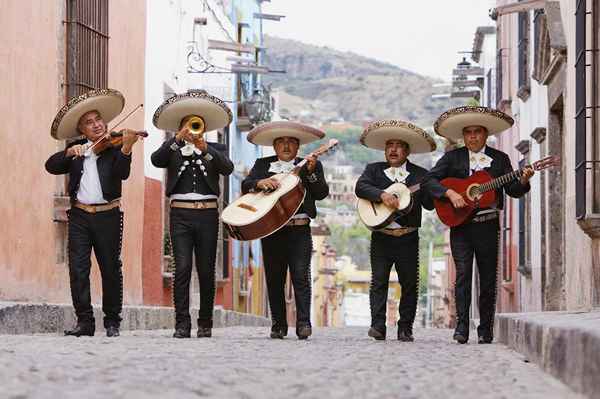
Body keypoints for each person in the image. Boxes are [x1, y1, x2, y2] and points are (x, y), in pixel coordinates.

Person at [423, 106, 534, 344]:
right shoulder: (452, 158)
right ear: (464, 136)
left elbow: (513, 190)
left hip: (487, 224)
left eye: (477, 132)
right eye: (468, 132)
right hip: (460, 225)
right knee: (463, 275)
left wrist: (523, 180)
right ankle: (462, 327)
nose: (472, 136)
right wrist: (450, 193)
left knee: (488, 277)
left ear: (485, 134)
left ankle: (486, 329)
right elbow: (428, 180)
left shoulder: (500, 159)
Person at [45, 88, 141, 337]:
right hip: (79, 216)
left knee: (110, 268)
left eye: (98, 119)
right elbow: (51, 165)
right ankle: (85, 322)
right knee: (78, 269)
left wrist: (127, 149)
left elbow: (123, 173)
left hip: (108, 215)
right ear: (81, 130)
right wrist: (68, 152)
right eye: (89, 122)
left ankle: (112, 322)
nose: (97, 125)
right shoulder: (77, 151)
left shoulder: (113, 148)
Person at [151, 90, 234, 339]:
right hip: (180, 215)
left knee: (207, 270)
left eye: (196, 124)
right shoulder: (172, 148)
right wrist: (177, 140)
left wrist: (205, 148)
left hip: (207, 215)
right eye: (188, 124)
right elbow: (156, 160)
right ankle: (182, 324)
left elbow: (227, 168)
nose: (193, 128)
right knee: (183, 268)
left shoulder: (216, 148)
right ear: (181, 127)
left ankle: (205, 322)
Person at [241, 121, 329, 339]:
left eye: (291, 142)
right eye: (281, 142)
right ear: (274, 146)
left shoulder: (311, 164)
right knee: (274, 278)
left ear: (298, 146)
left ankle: (303, 324)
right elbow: (246, 184)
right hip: (271, 230)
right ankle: (278, 325)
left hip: (299, 229)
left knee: (301, 276)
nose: (286, 146)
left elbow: (321, 193)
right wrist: (260, 182)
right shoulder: (262, 164)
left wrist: (310, 173)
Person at [355, 120, 436, 341]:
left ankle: (405, 328)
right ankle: (378, 326)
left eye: (399, 145)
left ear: (407, 150)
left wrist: (434, 189)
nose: (393, 149)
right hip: (381, 236)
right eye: (389, 145)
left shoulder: (421, 175)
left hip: (408, 237)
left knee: (409, 284)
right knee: (378, 281)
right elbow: (360, 187)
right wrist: (382, 195)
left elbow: (429, 204)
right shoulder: (373, 170)